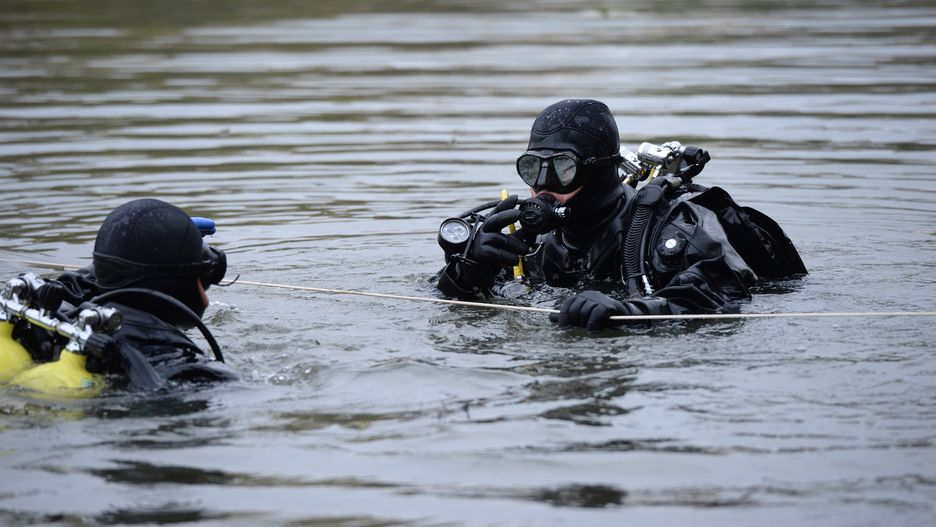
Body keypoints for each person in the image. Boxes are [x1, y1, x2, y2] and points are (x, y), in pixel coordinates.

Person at [436, 99, 806, 331]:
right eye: (532, 168)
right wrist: (466, 274)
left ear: (600, 172)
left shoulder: (674, 227)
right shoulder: (529, 243)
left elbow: (722, 300)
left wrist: (630, 312)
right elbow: (442, 305)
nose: (542, 186)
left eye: (563, 169)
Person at [12, 198, 238, 390]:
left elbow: (79, 285)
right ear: (182, 284)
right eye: (205, 275)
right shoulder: (197, 374)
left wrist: (138, 248)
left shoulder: (60, 320)